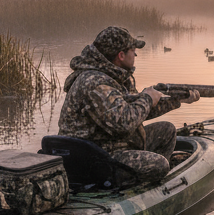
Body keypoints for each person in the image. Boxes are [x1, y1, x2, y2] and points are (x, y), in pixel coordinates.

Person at [58, 26, 200, 182]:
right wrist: (146, 98)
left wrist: (177, 100)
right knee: (159, 164)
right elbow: (124, 123)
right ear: (121, 55)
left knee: (167, 130)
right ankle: (138, 189)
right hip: (96, 159)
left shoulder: (113, 76)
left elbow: (136, 112)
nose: (136, 55)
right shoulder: (95, 83)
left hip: (110, 146)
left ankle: (148, 183)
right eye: (133, 51)